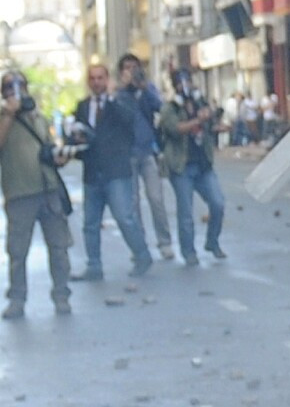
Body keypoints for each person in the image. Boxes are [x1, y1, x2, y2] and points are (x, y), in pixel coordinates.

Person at [1, 70, 73, 318]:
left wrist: (59, 157)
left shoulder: (39, 117)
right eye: (10, 86)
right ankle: (17, 299)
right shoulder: (3, 118)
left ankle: (62, 294)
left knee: (59, 246)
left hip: (48, 189)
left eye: (20, 84)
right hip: (20, 194)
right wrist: (9, 113)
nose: (16, 89)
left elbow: (47, 147)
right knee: (18, 251)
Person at [70, 63, 153, 279]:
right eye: (93, 78)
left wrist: (112, 98)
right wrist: (76, 140)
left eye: (100, 78)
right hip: (92, 172)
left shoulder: (120, 101)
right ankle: (94, 266)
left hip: (116, 171)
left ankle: (142, 255)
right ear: (88, 82)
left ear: (107, 80)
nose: (97, 82)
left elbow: (128, 121)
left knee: (125, 217)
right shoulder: (82, 106)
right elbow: (75, 138)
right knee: (90, 223)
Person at [157, 72, 227, 265]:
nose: (185, 86)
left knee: (218, 203)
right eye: (181, 83)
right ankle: (189, 252)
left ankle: (212, 242)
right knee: (186, 212)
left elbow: (211, 125)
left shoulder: (200, 103)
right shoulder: (170, 108)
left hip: (203, 164)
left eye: (187, 81)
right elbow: (175, 129)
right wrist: (198, 120)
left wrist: (213, 119)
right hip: (181, 166)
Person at [116, 55, 173, 262]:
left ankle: (164, 242)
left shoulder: (146, 88)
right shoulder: (118, 93)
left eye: (135, 67)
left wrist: (144, 87)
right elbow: (116, 113)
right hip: (127, 153)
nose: (131, 72)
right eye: (127, 68)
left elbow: (161, 107)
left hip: (147, 151)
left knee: (156, 198)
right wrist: (124, 89)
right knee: (132, 203)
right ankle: (138, 246)